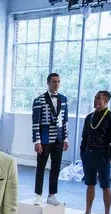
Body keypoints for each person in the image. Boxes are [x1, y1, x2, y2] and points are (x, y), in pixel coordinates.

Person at [76, 91, 111, 214]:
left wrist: (109, 157)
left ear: (106, 101)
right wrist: (83, 154)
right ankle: (87, 212)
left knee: (105, 185)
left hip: (102, 155)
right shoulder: (89, 117)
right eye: (95, 98)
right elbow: (84, 137)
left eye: (99, 99)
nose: (95, 101)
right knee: (90, 184)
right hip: (88, 154)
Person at [32, 73, 69, 206]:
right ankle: (38, 194)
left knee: (56, 168)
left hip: (58, 139)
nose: (56, 84)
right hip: (45, 139)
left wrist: (66, 138)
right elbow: (35, 123)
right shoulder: (39, 100)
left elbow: (65, 121)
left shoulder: (64, 99)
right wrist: (37, 141)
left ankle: (52, 195)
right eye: (54, 81)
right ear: (48, 83)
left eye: (58, 81)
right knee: (40, 168)